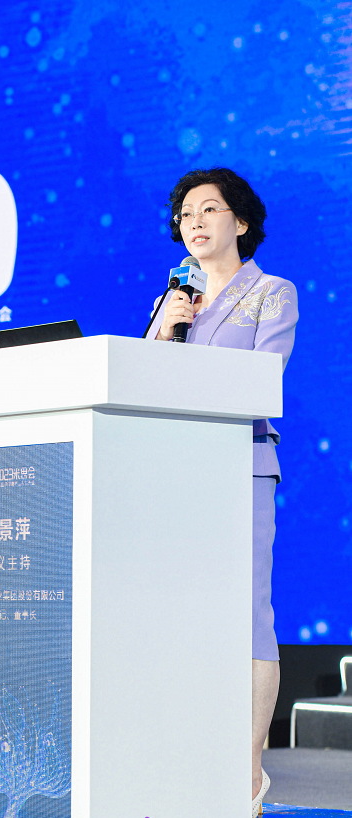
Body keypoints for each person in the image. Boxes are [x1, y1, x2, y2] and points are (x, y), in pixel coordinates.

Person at [146, 167, 298, 818]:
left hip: (241, 465)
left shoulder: (271, 293)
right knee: (182, 613)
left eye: (209, 209)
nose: (195, 222)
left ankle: (246, 771)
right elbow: (139, 384)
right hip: (175, 473)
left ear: (240, 220)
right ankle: (186, 759)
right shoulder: (173, 300)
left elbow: (264, 379)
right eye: (185, 215)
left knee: (247, 617)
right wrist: (162, 332)